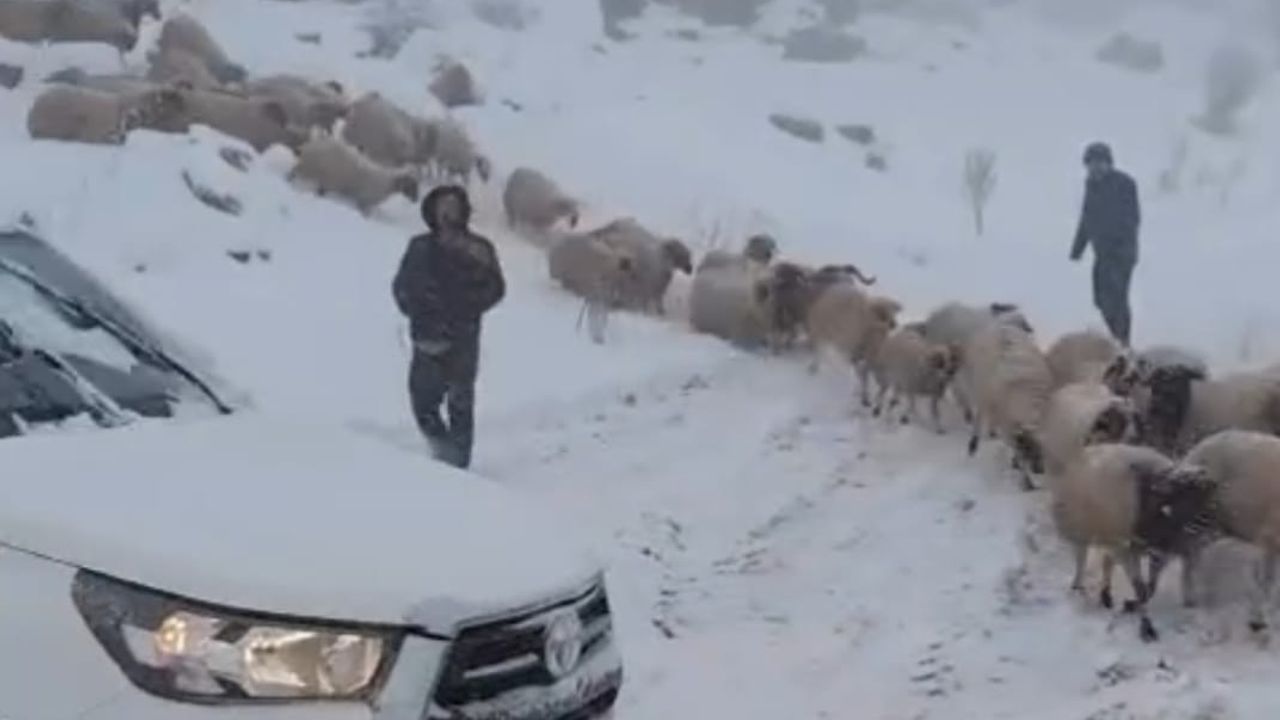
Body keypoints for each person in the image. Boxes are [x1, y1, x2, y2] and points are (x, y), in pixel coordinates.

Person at [393, 184, 505, 469]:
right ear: (431, 210)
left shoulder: (479, 249)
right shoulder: (419, 247)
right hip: (426, 336)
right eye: (442, 206)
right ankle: (442, 450)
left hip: (463, 338)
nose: (447, 213)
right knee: (423, 402)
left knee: (460, 401)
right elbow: (402, 285)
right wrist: (415, 308)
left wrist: (465, 307)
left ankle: (458, 465)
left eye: (453, 207)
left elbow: (495, 288)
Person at [1070, 141, 1141, 347]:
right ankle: (1115, 336)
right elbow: (1086, 218)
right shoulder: (1091, 186)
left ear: (1108, 164)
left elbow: (1132, 217)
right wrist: (1078, 248)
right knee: (1100, 299)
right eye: (1091, 164)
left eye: (1099, 163)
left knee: (1117, 298)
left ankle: (1123, 341)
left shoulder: (1125, 184)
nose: (1095, 168)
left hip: (1121, 253)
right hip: (1102, 253)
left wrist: (1118, 239)